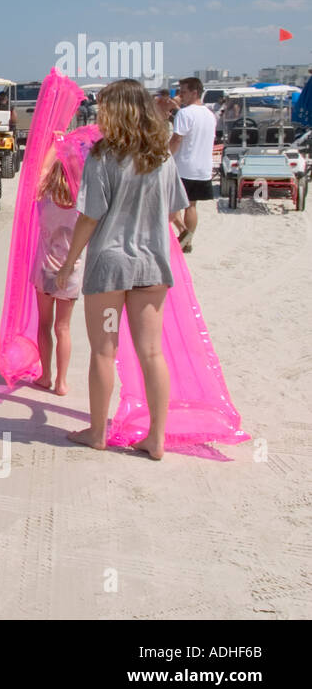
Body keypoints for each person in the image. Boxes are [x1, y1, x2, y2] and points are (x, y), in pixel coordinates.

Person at [55, 79, 189, 460]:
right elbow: (174, 209)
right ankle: (156, 439)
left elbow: (89, 216)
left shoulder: (103, 155)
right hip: (151, 266)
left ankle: (98, 432)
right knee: (151, 352)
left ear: (116, 111)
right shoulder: (162, 155)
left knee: (103, 350)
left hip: (112, 267)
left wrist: (69, 262)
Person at [32, 151, 82, 395]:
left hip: (45, 269)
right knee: (63, 328)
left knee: (43, 324)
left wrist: (54, 145)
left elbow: (41, 170)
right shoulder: (82, 201)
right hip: (71, 270)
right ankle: (62, 382)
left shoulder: (44, 195)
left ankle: (46, 375)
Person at [169, 77, 213, 253]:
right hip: (203, 168)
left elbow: (177, 138)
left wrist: (166, 156)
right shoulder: (209, 114)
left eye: (184, 92)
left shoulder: (185, 113)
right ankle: (188, 241)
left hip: (184, 166)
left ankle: (183, 232)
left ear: (194, 92)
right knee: (192, 206)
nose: (181, 95)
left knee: (173, 204)